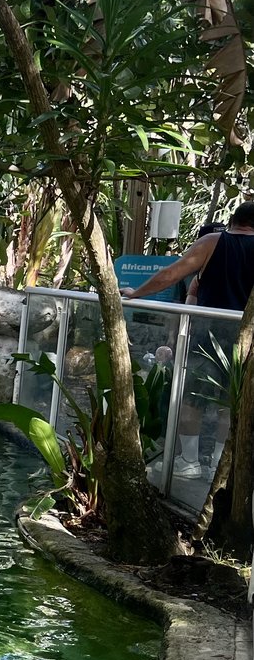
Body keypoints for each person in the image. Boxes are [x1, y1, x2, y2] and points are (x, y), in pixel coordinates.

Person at [122, 200, 254, 477]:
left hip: (207, 336)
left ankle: (190, 461)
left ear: (233, 221)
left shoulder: (212, 242)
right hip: (247, 339)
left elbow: (171, 274)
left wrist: (136, 294)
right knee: (230, 404)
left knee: (191, 400)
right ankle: (219, 466)